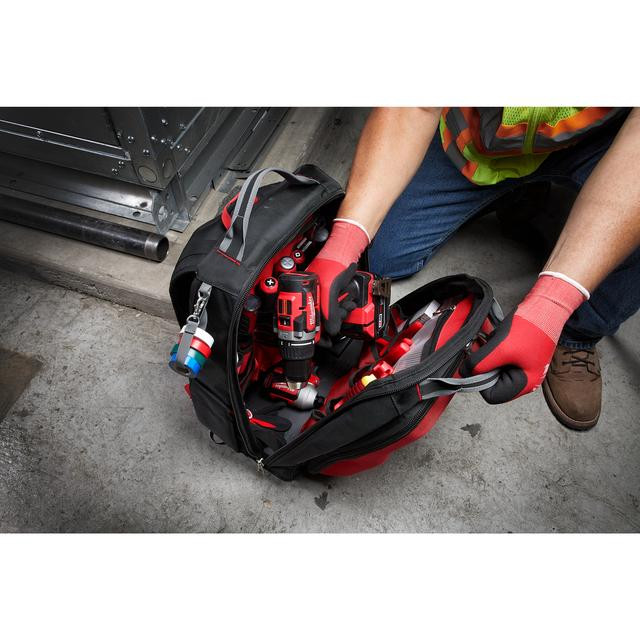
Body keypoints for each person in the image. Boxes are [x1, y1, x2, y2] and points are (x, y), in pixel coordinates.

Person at [308, 107, 640, 430]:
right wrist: (346, 238)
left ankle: (578, 335)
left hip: (597, 142)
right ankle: (511, 191)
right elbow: (416, 107)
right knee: (380, 256)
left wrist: (552, 307)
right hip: (479, 140)